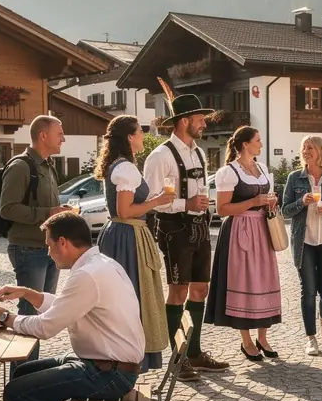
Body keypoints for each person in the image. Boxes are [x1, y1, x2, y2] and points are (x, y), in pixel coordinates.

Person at [0, 212, 146, 401]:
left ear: (63, 242)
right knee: (25, 373)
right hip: (105, 363)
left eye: (49, 245)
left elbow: (46, 328)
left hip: (110, 373)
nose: (48, 252)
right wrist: (28, 293)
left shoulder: (87, 275)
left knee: (17, 392)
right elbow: (66, 305)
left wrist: (5, 319)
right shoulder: (101, 264)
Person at [143, 95, 228, 378]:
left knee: (200, 289)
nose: (204, 124)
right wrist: (185, 204)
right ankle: (177, 359)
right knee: (178, 291)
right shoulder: (160, 156)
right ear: (184, 122)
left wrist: (202, 205)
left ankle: (194, 352)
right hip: (174, 230)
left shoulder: (199, 153)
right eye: (200, 119)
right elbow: (151, 199)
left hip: (200, 227)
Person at [94, 115, 172, 374]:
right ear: (129, 137)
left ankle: (125, 364)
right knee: (132, 299)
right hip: (127, 236)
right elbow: (125, 211)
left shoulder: (119, 165)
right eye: (140, 131)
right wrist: (156, 201)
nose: (143, 136)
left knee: (127, 298)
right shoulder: (125, 168)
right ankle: (128, 364)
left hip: (122, 234)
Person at [0, 115, 73, 362]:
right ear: (43, 136)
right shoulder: (21, 166)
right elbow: (7, 208)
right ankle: (22, 376)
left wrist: (59, 213)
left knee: (42, 310)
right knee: (29, 313)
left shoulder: (48, 165)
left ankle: (30, 371)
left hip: (48, 248)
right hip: (28, 249)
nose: (63, 138)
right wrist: (48, 213)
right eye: (59, 133)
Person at [206, 126, 281, 360]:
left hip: (263, 229)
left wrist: (270, 202)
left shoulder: (263, 169)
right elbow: (222, 209)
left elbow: (265, 199)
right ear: (245, 144)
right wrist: (253, 202)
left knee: (264, 280)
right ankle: (246, 341)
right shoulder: (228, 172)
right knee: (244, 281)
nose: (261, 144)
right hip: (239, 229)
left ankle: (263, 338)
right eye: (258, 141)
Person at [282, 135, 322, 356]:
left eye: (310, 147)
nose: (306, 151)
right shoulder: (294, 178)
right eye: (304, 148)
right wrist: (301, 202)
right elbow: (284, 210)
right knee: (308, 291)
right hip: (304, 243)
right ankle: (311, 338)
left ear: (321, 151)